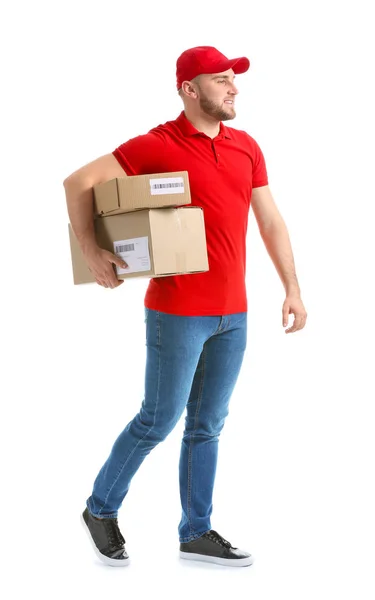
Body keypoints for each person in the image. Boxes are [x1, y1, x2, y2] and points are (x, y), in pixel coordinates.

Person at [63, 45, 307, 568]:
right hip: (176, 312)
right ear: (189, 90)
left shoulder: (246, 147)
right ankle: (100, 508)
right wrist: (92, 251)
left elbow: (270, 220)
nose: (233, 88)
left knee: (208, 424)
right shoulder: (158, 143)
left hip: (233, 316)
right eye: (221, 80)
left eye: (233, 79)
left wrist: (292, 287)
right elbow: (78, 183)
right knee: (159, 419)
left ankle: (196, 531)